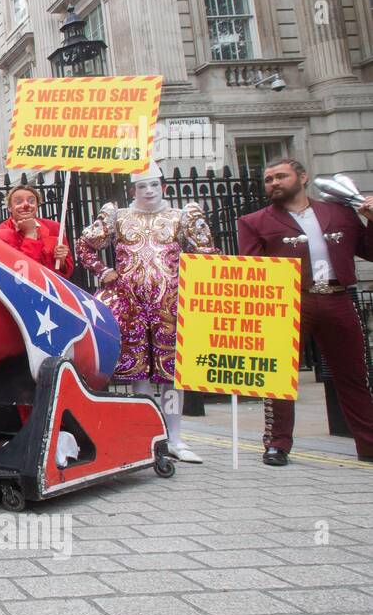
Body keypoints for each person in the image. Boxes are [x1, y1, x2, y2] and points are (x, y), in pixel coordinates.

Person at [76, 164, 218, 464]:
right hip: (131, 306)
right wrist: (104, 271)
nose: (149, 191)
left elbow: (207, 253)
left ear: (164, 187)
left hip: (172, 306)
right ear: (133, 190)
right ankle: (147, 437)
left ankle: (175, 439)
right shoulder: (119, 217)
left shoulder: (181, 216)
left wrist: (194, 279)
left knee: (170, 376)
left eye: (154, 185)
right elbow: (85, 246)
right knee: (138, 375)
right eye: (142, 186)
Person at [237, 159, 373, 466]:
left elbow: (369, 251)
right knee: (279, 379)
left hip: (338, 297)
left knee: (353, 375)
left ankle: (368, 443)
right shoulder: (254, 221)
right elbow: (253, 270)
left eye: (280, 176)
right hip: (288, 302)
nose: (273, 183)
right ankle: (277, 444)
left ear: (302, 177)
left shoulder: (338, 212)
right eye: (268, 179)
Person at [0, 185, 74, 277]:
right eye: (19, 202)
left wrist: (61, 261)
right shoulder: (2, 235)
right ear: (10, 208)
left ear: (37, 205)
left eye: (31, 201)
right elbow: (22, 274)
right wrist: (30, 234)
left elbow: (66, 273)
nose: (26, 205)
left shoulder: (53, 227)